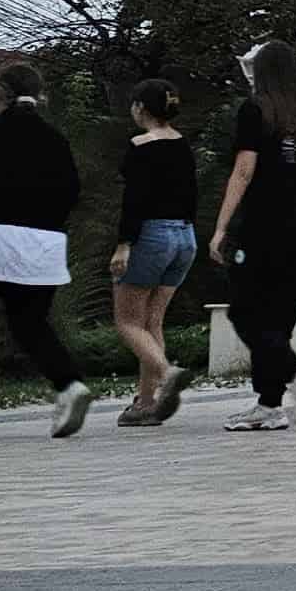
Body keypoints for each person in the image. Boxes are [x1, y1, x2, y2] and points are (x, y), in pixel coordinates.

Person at [208, 41, 296, 432]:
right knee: (280, 312)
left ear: (262, 73)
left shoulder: (256, 110)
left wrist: (220, 228)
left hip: (268, 222)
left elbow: (244, 170)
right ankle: (269, 405)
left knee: (245, 310)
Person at [0, 60, 92, 438]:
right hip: (45, 245)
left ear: (2, 92)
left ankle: (68, 385)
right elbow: (71, 190)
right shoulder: (55, 139)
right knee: (30, 323)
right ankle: (69, 383)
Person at [110, 79, 197, 427]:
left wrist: (123, 244)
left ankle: (167, 373)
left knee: (127, 321)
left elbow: (135, 202)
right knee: (151, 322)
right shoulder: (182, 145)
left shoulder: (140, 146)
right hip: (184, 237)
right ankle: (146, 403)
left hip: (152, 236)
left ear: (140, 108)